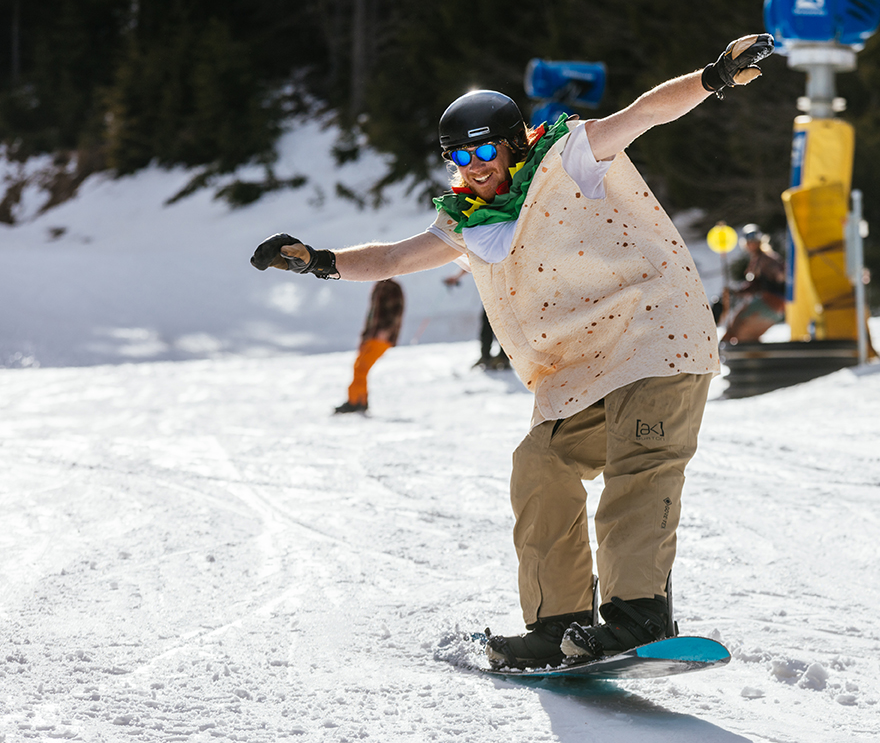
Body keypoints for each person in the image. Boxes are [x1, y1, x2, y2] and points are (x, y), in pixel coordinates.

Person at [250, 33, 774, 669]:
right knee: (540, 463)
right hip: (581, 368)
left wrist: (713, 76)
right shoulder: (469, 220)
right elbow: (392, 257)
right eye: (457, 155)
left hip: (651, 335)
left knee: (641, 465)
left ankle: (639, 615)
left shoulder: (570, 157)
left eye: (482, 148)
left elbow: (645, 113)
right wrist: (321, 262)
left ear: (514, 139)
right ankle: (559, 622)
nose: (472, 164)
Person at [334, 278, 405, 414]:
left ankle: (356, 402)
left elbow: (397, 310)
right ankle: (358, 400)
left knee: (362, 368)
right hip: (372, 335)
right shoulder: (379, 286)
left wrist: (386, 330)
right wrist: (365, 336)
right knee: (358, 366)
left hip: (381, 336)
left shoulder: (392, 287)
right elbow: (372, 314)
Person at [721, 224, 787, 345]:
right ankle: (752, 356)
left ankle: (721, 350)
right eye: (749, 242)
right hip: (778, 306)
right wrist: (736, 292)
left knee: (736, 323)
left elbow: (776, 278)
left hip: (771, 301)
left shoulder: (766, 259)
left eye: (753, 241)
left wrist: (736, 292)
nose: (751, 245)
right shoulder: (760, 259)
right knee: (748, 335)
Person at [443, 267, 509, 370]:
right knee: (487, 325)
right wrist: (456, 276)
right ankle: (486, 356)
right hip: (492, 293)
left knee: (505, 325)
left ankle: (503, 357)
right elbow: (472, 263)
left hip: (506, 292)